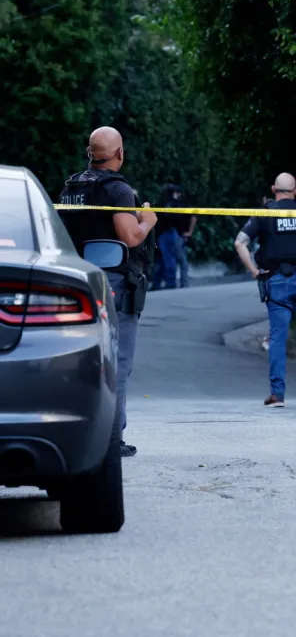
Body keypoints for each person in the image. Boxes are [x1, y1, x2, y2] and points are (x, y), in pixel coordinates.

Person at [57, 126, 157, 457]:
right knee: (119, 361)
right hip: (113, 282)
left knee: (79, 359)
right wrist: (147, 221)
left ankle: (76, 432)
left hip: (75, 280)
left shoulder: (71, 186)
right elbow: (130, 237)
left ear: (90, 154)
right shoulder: (118, 190)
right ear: (119, 154)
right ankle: (112, 437)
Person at [234, 173, 296, 407]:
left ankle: (277, 395)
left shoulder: (265, 214)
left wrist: (253, 271)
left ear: (273, 189)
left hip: (276, 281)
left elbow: (240, 242)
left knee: (278, 338)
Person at [151, 184, 197, 290]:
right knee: (169, 259)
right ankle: (167, 283)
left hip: (170, 234)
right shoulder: (175, 204)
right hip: (172, 234)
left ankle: (170, 282)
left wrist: (188, 232)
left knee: (169, 259)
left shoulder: (170, 204)